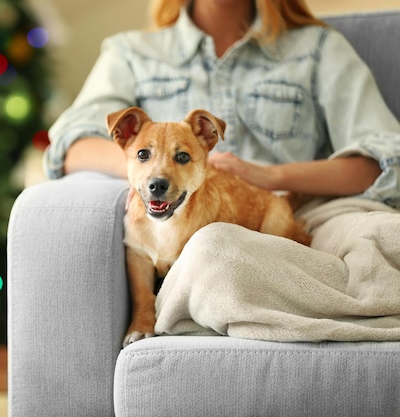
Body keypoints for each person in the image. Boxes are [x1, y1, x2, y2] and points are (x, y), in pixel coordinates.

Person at [44, 0, 400, 342]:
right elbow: (69, 144)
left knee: (385, 238)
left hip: (307, 210)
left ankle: (230, 306)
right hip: (195, 225)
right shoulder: (130, 51)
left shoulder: (319, 47)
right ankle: (305, 305)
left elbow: (383, 160)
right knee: (214, 247)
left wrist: (271, 176)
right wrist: (150, 175)